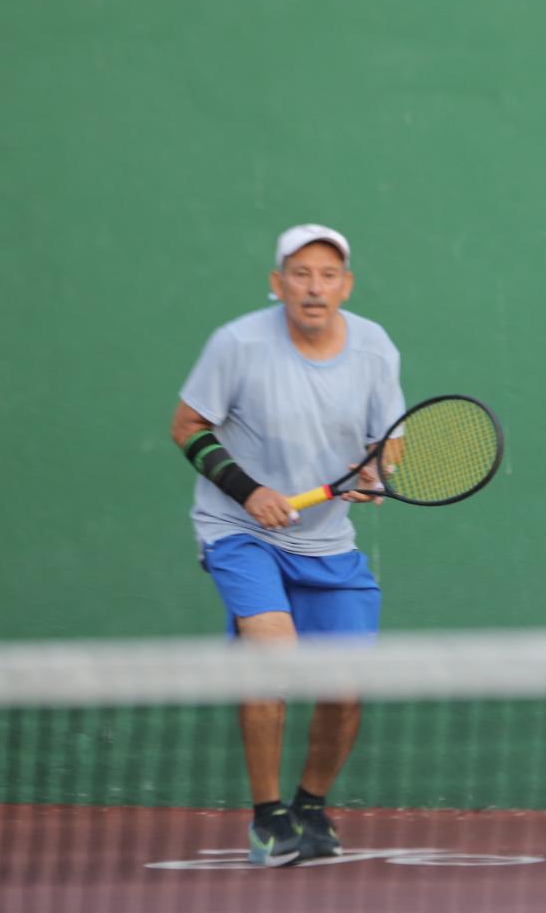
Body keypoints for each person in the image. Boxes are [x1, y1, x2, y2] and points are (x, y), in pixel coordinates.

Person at [170, 223, 405, 867]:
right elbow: (187, 426)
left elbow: (388, 442)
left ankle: (311, 805)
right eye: (300, 274)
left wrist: (375, 473)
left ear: (346, 286)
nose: (314, 287)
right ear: (277, 284)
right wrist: (248, 492)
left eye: (328, 275)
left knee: (346, 685)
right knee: (272, 658)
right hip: (240, 531)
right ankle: (269, 816)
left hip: (328, 542)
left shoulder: (376, 349)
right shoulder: (238, 344)